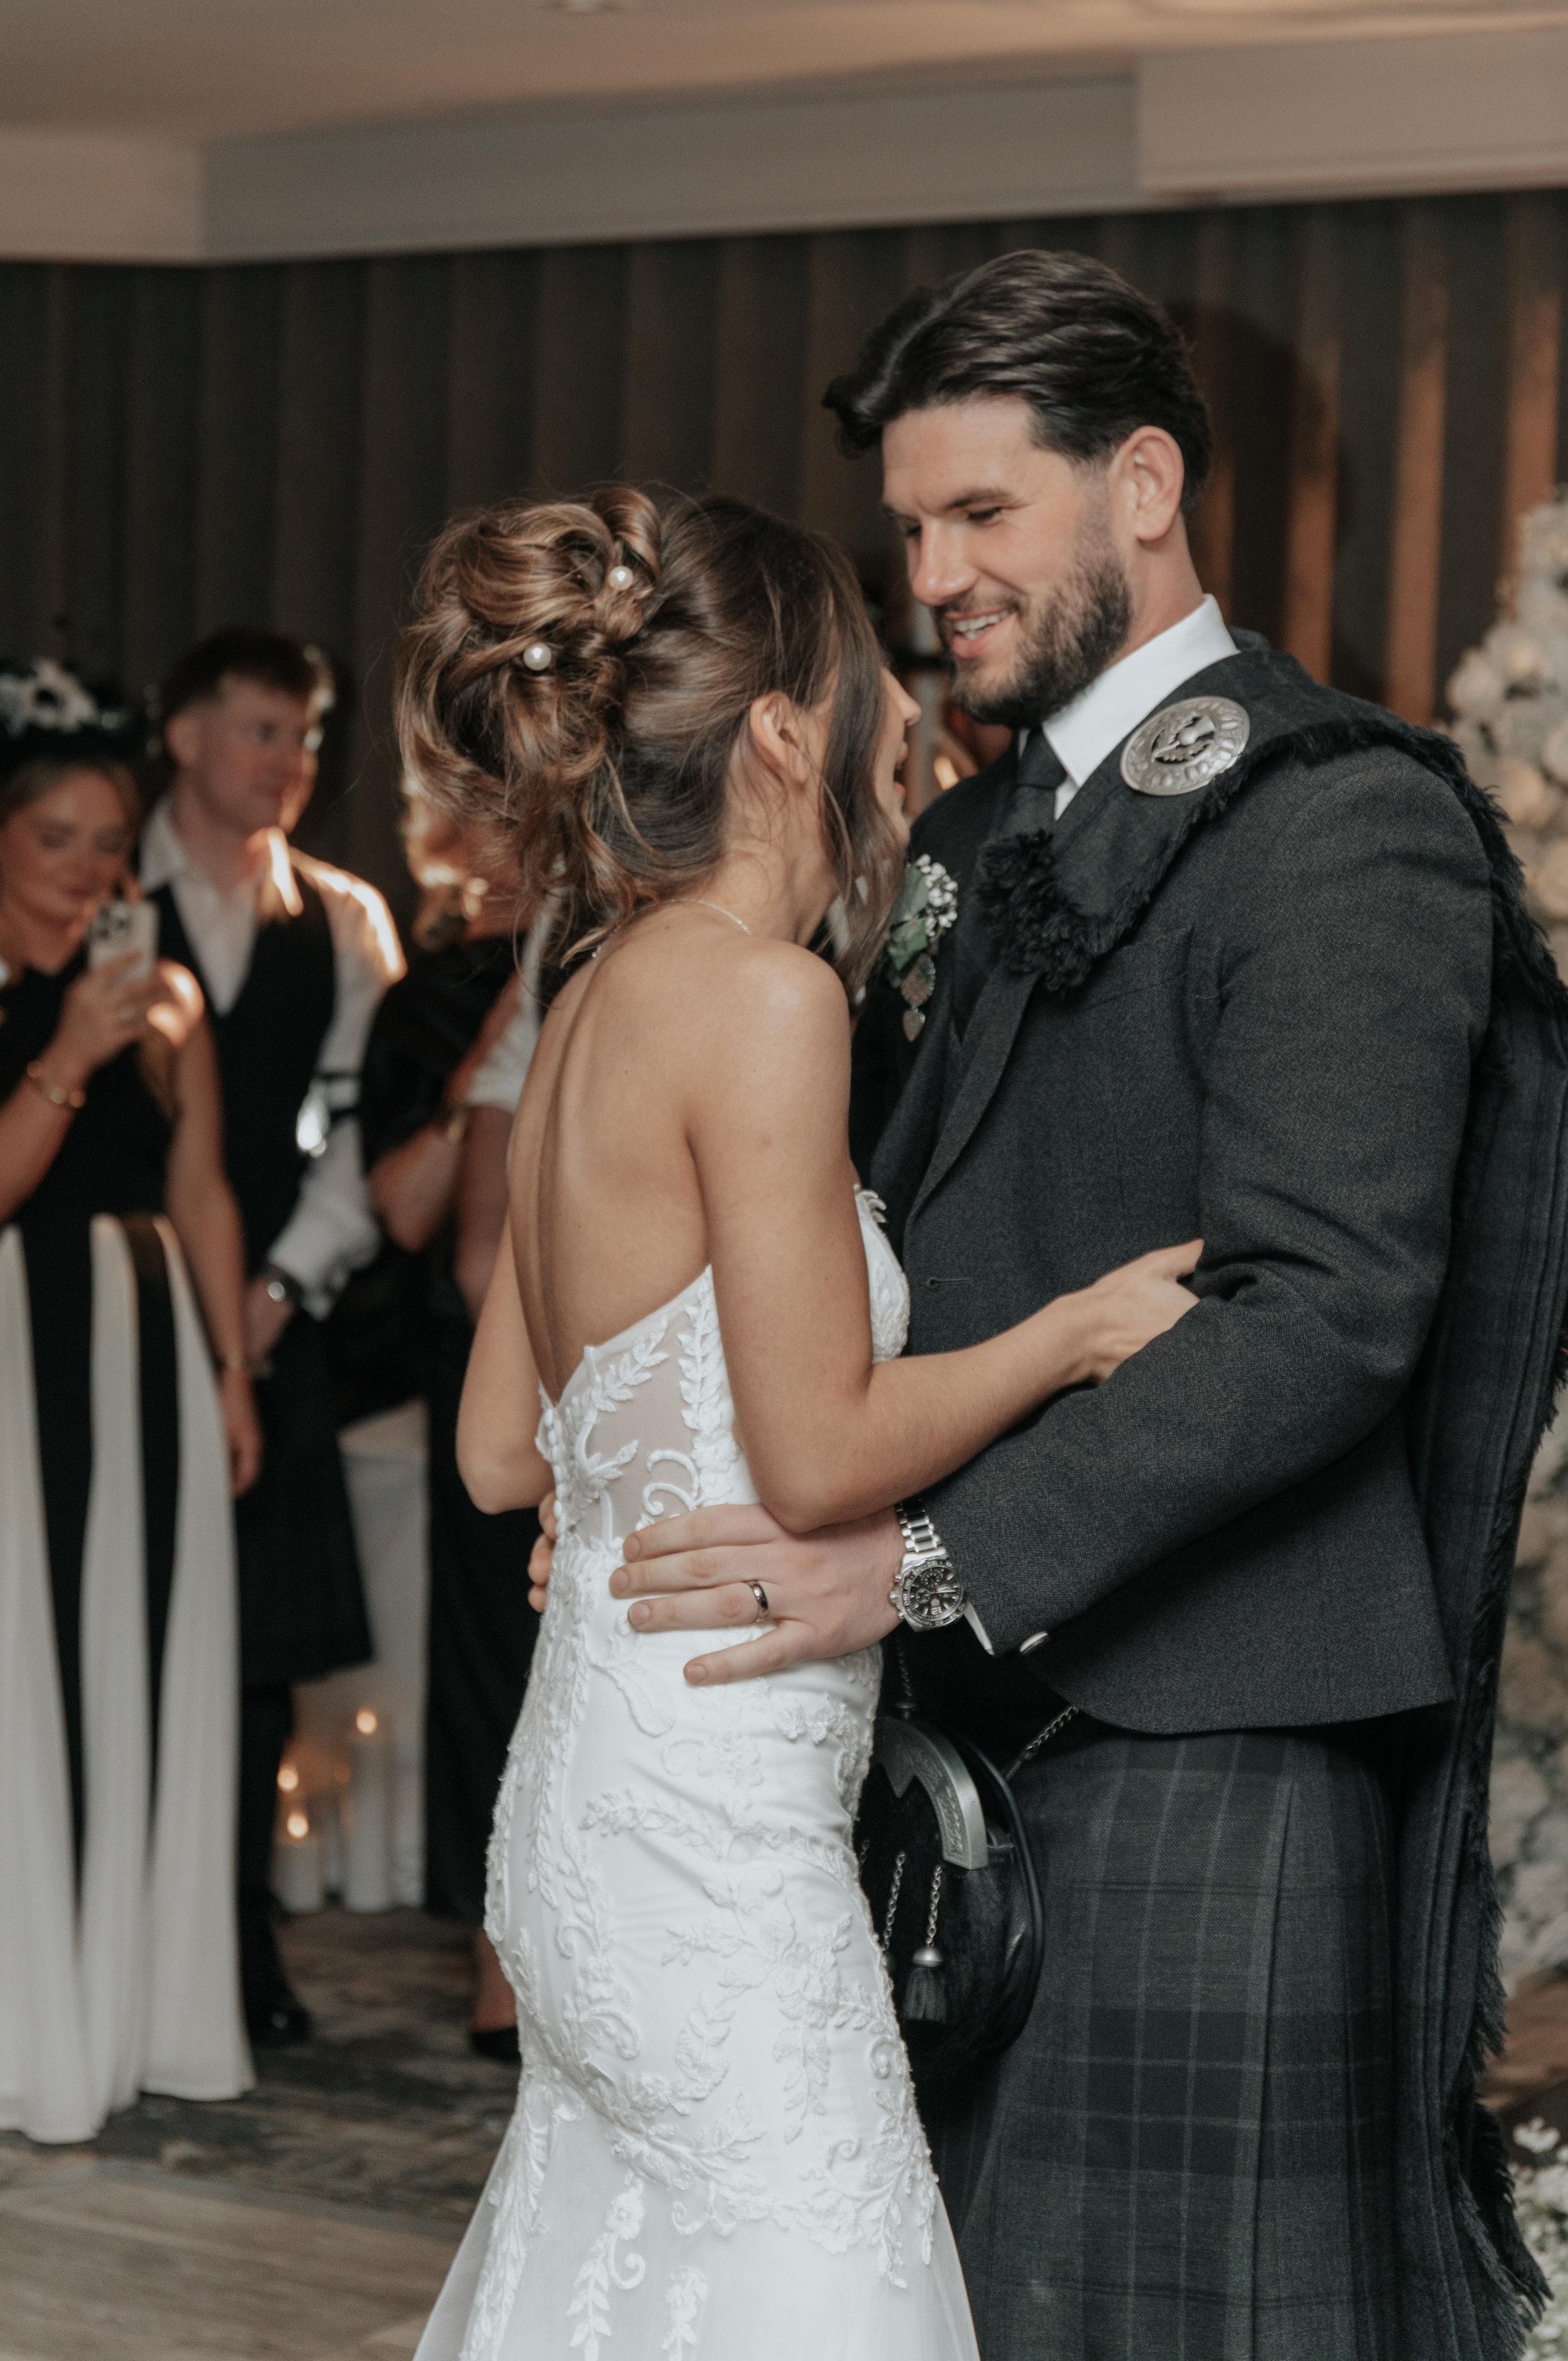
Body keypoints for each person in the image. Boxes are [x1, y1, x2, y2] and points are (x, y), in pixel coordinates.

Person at [592, 252, 1568, 2360]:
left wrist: (924, 1560)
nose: (931, 578)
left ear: (1141, 485)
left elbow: (1323, 1311)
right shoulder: (968, 828)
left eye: (983, 513)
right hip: (947, 1739)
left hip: (1208, 1735)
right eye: (908, 527)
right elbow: (850, 1230)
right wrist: (656, 1476)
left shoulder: (1340, 818)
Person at [396, 484, 1197, 2358]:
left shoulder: (589, 994)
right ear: (778, 732)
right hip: (711, 1841)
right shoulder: (764, 1002)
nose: (896, 708)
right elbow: (818, 1452)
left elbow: (502, 1451)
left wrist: (612, 1495)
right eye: (860, 678)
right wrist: (1072, 1335)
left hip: (581, 1806)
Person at [0, 658, 262, 2143]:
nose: (85, 867)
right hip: (11, 1345)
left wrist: (232, 1368)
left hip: (148, 1343)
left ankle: (133, 2011)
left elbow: (203, 1194)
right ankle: (20, 2022)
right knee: (20, 1653)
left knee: (144, 1648)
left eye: (108, 842)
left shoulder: (171, 995)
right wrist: (72, 1048)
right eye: (55, 837)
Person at [142, 629, 404, 2048]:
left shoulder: (347, 919)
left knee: (254, 1651)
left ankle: (240, 1941)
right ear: (183, 735)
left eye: (304, 737)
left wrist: (285, 1283)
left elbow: (355, 1137)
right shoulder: (102, 896)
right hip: (125, 1297)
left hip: (276, 1317)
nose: (290, 761)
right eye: (261, 730)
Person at [360, 796, 529, 2057]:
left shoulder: (634, 946)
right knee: (487, 1655)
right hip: (484, 1358)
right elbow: (419, 1221)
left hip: (571, 1344)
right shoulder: (425, 1000)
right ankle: (492, 1950)